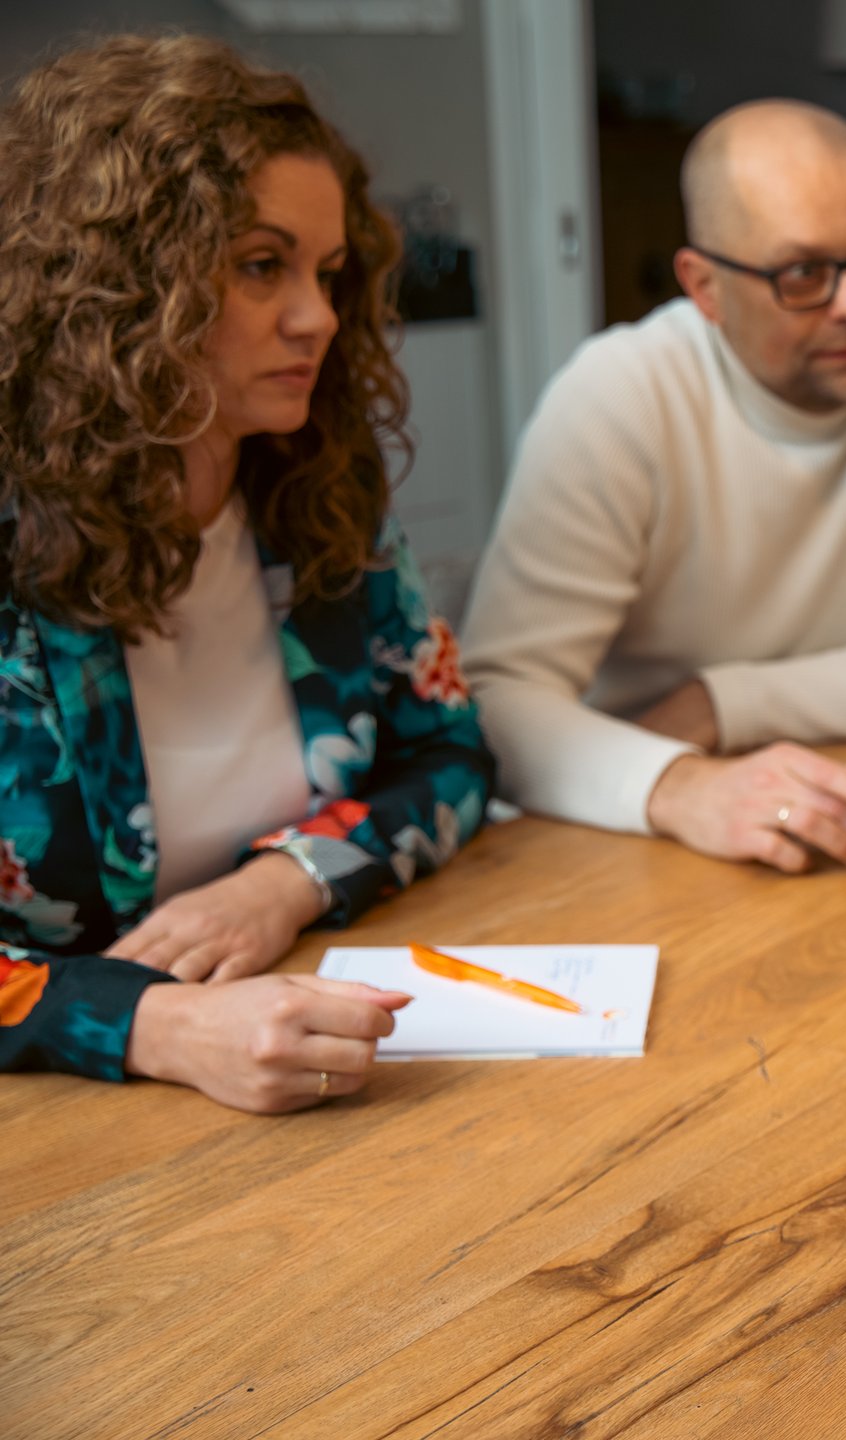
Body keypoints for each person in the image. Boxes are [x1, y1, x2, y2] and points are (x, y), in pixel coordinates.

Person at [0, 35, 495, 1112]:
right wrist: (156, 1022)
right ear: (122, 284)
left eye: (326, 272)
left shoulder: (321, 501)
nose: (317, 316)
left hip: (317, 1071)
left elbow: (451, 754)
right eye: (261, 265)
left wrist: (284, 885)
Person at [462, 100, 846, 875]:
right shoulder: (617, 396)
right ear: (704, 287)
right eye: (803, 274)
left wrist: (720, 704)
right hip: (631, 831)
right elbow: (496, 703)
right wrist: (684, 784)